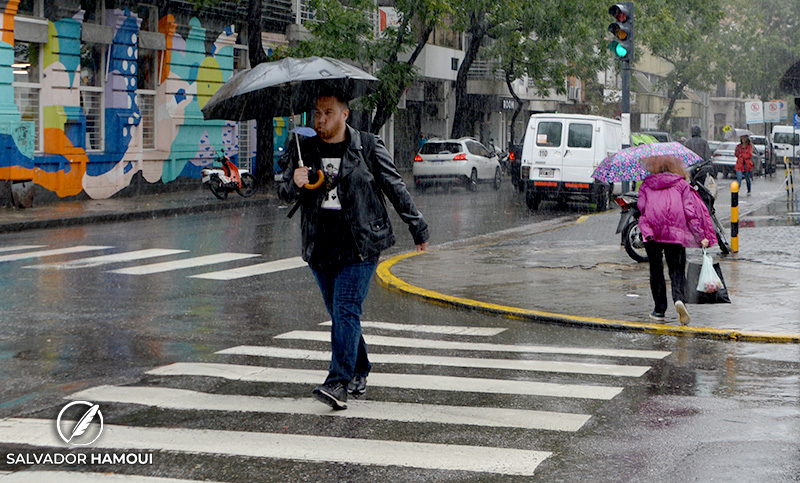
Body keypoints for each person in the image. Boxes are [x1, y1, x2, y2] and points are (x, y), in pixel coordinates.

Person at [277, 92, 429, 410]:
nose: (320, 120)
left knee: (346, 309)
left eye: (328, 113)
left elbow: (394, 186)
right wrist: (294, 181)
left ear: (345, 115)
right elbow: (283, 192)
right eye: (316, 114)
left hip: (360, 244)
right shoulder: (304, 149)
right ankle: (360, 367)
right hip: (320, 245)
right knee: (340, 314)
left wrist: (417, 226)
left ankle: (338, 382)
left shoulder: (368, 146)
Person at [637, 155, 717, 325]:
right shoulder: (681, 184)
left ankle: (659, 310)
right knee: (677, 269)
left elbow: (641, 208)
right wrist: (701, 236)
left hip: (652, 234)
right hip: (675, 233)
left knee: (656, 270)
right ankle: (678, 299)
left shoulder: (646, 184)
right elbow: (690, 213)